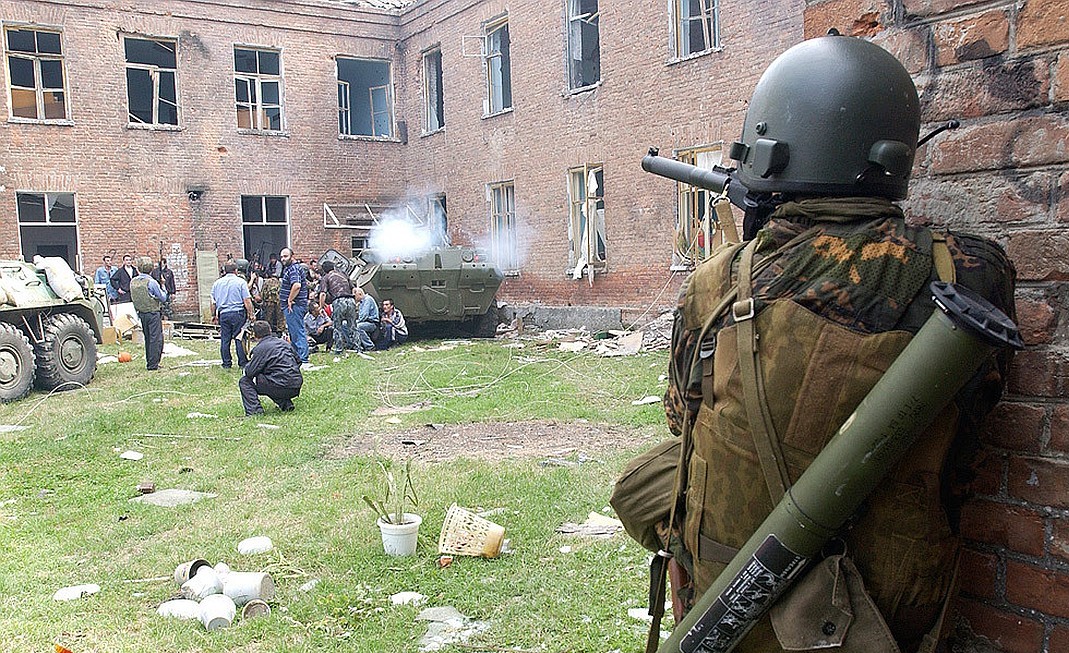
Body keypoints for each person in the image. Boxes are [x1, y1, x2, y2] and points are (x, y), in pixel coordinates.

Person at [615, 36, 1017, 653]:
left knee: (642, 483)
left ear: (768, 149)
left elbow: (684, 418)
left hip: (736, 602)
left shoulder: (718, 282)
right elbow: (977, 415)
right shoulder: (973, 270)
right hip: (895, 610)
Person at [239, 320, 303, 415]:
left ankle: (255, 411)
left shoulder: (260, 349)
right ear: (270, 330)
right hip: (295, 385)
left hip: (279, 385)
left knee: (245, 381)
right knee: (270, 379)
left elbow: (250, 372)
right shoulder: (284, 343)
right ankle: (286, 404)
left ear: (255, 335)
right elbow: (298, 361)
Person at [210, 261, 256, 369]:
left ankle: (226, 363)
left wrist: (213, 315)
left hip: (224, 314)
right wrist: (251, 314)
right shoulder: (240, 282)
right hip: (238, 313)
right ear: (236, 271)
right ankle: (242, 363)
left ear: (225, 271)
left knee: (225, 339)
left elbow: (213, 302)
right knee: (239, 338)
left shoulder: (217, 283)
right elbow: (247, 300)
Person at [129, 256, 168, 371]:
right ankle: (153, 364)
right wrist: (164, 286)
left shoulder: (133, 281)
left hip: (141, 312)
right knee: (156, 338)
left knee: (147, 338)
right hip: (153, 312)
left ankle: (149, 361)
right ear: (150, 269)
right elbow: (163, 298)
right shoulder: (152, 282)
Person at [317, 260, 357, 354]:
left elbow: (322, 294)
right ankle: (357, 347)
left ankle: (339, 349)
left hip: (339, 301)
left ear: (324, 270)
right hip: (350, 300)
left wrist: (321, 307)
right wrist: (356, 301)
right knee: (353, 326)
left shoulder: (326, 277)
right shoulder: (343, 274)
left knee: (337, 326)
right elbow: (354, 288)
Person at [279, 247, 310, 365]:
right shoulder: (290, 268)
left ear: (292, 256)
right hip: (294, 305)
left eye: (285, 256)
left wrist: (290, 300)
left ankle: (303, 359)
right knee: (294, 331)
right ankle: (297, 358)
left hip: (294, 306)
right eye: (281, 256)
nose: (283, 259)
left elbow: (296, 285)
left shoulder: (293, 269)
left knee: (297, 332)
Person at [353, 286, 379, 352]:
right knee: (345, 324)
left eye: (354, 296)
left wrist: (355, 323)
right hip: (365, 321)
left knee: (358, 327)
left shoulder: (368, 299)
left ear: (360, 294)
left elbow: (364, 315)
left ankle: (370, 346)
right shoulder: (362, 302)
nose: (354, 298)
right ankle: (353, 345)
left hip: (372, 323)